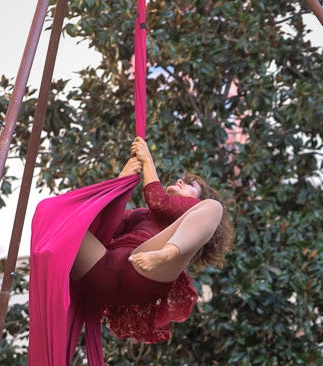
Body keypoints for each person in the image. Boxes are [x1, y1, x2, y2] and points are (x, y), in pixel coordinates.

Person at [71, 137, 234, 343]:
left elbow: (159, 202)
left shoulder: (196, 210)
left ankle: (168, 252)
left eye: (190, 185)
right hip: (104, 269)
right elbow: (106, 223)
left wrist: (147, 159)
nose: (179, 181)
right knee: (63, 219)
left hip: (145, 273)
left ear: (197, 201)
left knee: (214, 207)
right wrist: (121, 180)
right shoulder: (142, 214)